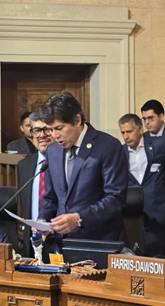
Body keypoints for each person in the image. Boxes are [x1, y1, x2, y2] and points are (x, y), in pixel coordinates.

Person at [38, 92, 127, 243]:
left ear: (77, 120)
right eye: (50, 129)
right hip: (62, 243)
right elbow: (50, 198)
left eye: (59, 128)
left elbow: (115, 198)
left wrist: (80, 218)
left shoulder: (108, 146)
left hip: (98, 240)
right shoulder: (53, 150)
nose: (54, 135)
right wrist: (42, 221)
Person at [118, 113, 165, 257]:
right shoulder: (120, 152)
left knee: (156, 256)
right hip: (131, 212)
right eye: (123, 132)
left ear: (140, 129)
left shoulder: (159, 145)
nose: (126, 136)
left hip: (156, 211)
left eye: (129, 131)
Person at [17, 110, 53, 256]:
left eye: (46, 130)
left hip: (58, 240)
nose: (41, 135)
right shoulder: (24, 166)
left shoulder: (66, 163)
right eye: (37, 130)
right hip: (32, 243)